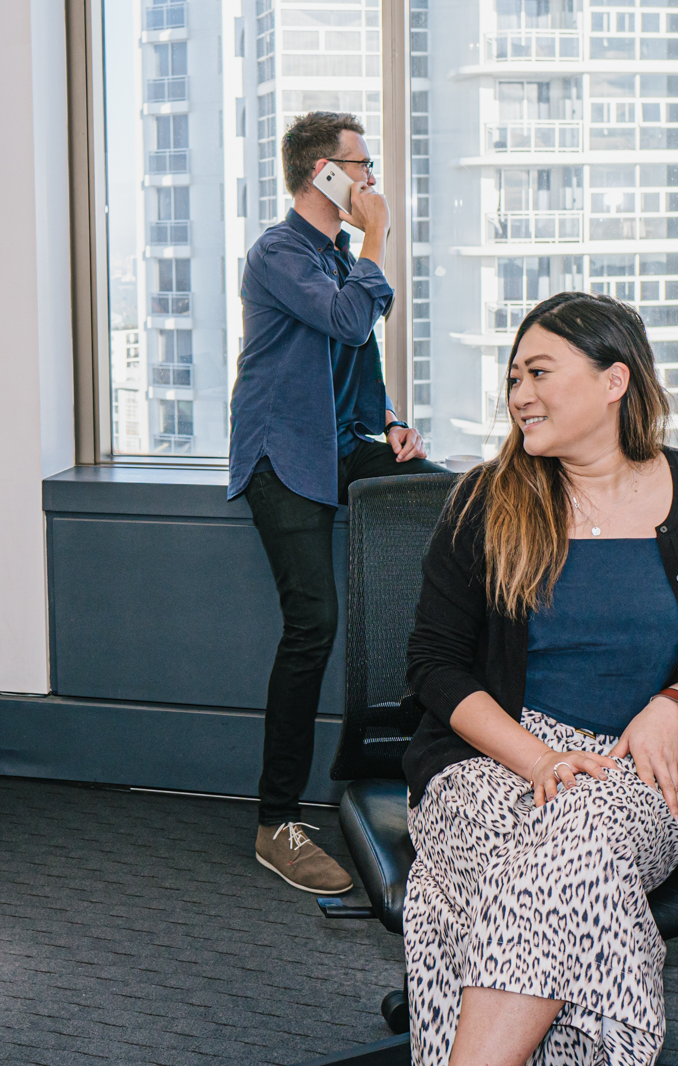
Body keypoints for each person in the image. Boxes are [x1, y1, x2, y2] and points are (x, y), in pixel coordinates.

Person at [400, 293, 678, 1066]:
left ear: (616, 380)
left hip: (636, 771)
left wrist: (675, 704)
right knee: (545, 880)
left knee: (560, 856)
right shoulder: (484, 500)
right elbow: (435, 664)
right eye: (512, 378)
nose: (518, 396)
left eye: (539, 371)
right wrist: (538, 759)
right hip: (489, 759)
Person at [229, 109, 447, 894]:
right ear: (322, 171)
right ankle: (274, 818)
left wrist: (388, 424)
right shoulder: (279, 253)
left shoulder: (337, 254)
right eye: (361, 166)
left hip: (341, 439)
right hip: (281, 455)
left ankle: (441, 764)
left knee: (452, 505)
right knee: (312, 622)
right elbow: (351, 317)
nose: (370, 182)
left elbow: (358, 359)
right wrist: (381, 236)